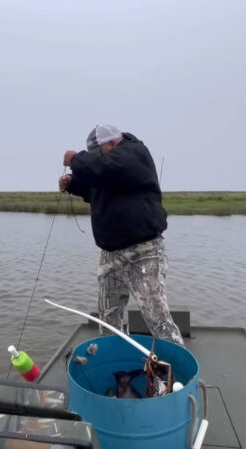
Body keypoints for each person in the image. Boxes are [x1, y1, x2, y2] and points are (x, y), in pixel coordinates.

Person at [59, 124, 184, 346]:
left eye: (99, 153)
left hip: (144, 251)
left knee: (157, 315)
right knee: (108, 317)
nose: (97, 158)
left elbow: (107, 167)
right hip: (110, 253)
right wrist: (73, 185)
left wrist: (76, 159)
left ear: (113, 143)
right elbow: (97, 185)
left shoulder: (134, 154)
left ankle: (178, 374)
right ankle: (112, 365)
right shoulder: (110, 166)